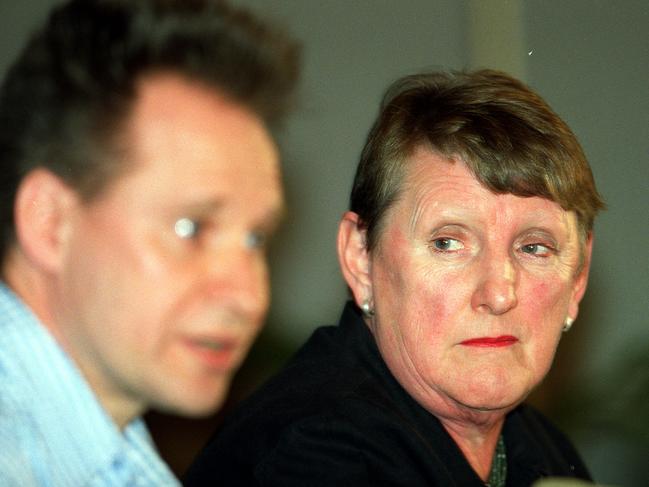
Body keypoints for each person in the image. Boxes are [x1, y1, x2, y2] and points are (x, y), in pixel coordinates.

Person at [184, 69, 605, 486]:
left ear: (578, 277)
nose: (497, 294)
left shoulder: (543, 452)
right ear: (361, 260)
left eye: (534, 248)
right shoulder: (313, 452)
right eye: (447, 243)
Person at [0, 0, 299, 484]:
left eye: (255, 238)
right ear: (50, 222)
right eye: (191, 228)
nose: (248, 297)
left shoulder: (112, 459)